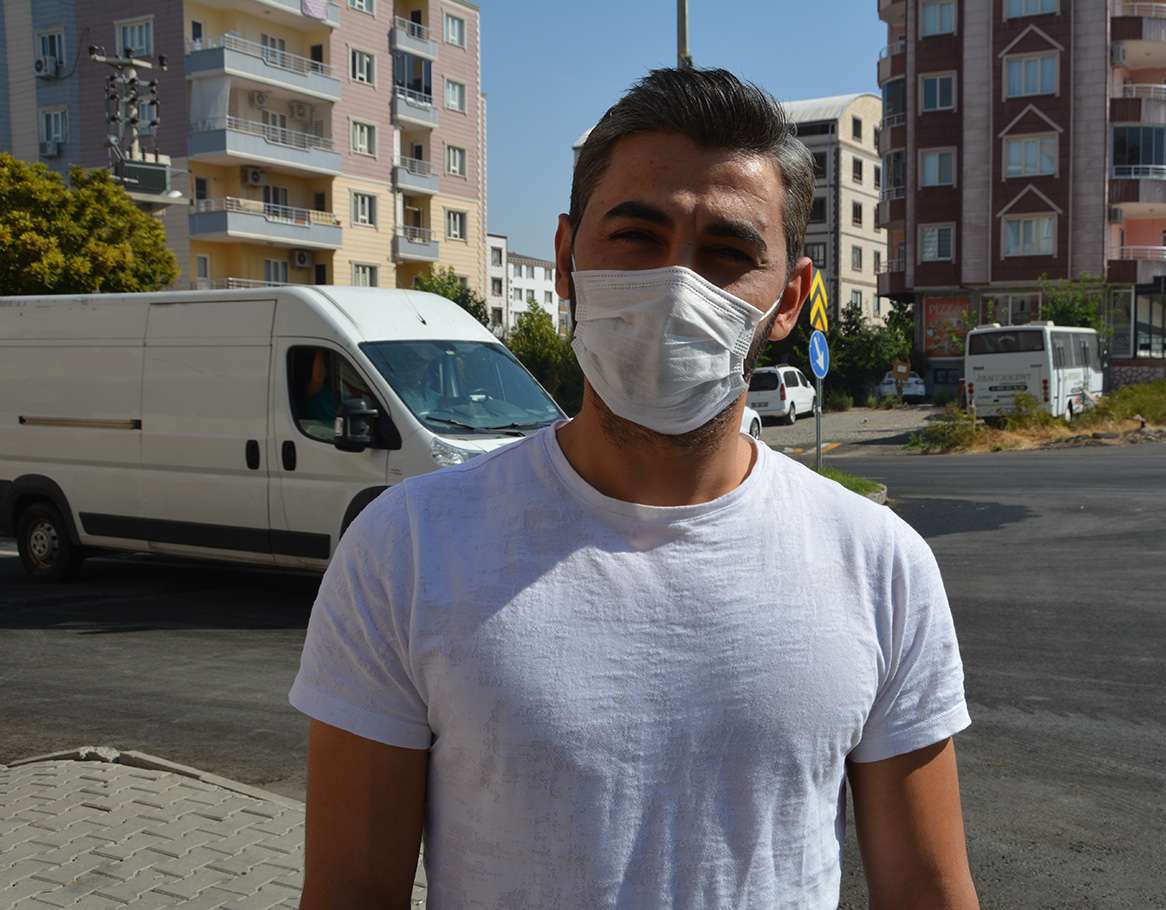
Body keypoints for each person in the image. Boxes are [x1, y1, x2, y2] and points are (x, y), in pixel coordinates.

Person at [290, 67, 977, 909]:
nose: (677, 287)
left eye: (728, 254)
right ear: (566, 260)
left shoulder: (880, 566)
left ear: (790, 299)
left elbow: (927, 890)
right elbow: (352, 892)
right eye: (637, 236)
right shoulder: (408, 550)